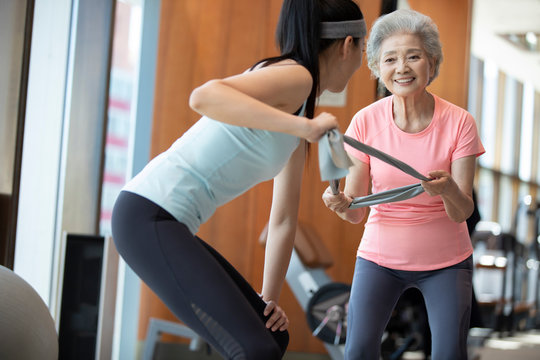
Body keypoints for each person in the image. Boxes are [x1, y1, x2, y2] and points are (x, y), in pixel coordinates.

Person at [111, 1, 367, 359]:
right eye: (364, 49)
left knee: (271, 338)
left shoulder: (301, 105)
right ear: (347, 45)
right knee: (256, 350)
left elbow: (282, 220)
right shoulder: (297, 77)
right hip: (148, 213)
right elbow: (203, 96)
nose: (362, 63)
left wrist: (269, 300)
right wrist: (305, 127)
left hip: (165, 220)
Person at [322, 9, 485, 360]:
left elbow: (463, 212)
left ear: (432, 62)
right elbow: (354, 211)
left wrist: (447, 190)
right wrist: (342, 204)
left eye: (414, 56)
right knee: (358, 351)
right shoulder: (366, 121)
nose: (402, 68)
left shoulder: (460, 123)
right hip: (379, 258)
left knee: (448, 354)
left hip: (447, 261)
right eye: (390, 59)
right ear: (378, 69)